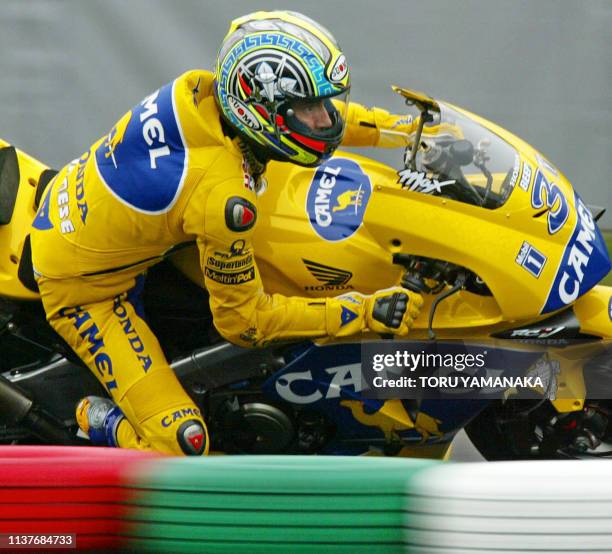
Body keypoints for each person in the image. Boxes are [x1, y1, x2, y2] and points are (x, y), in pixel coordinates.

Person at [30, 10, 423, 455]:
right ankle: (95, 417)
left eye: (323, 104)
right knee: (182, 445)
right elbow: (245, 323)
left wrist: (406, 132)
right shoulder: (222, 197)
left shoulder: (201, 90)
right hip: (87, 291)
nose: (323, 118)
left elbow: (317, 123)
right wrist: (361, 313)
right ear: (257, 110)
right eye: (309, 108)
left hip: (93, 211)